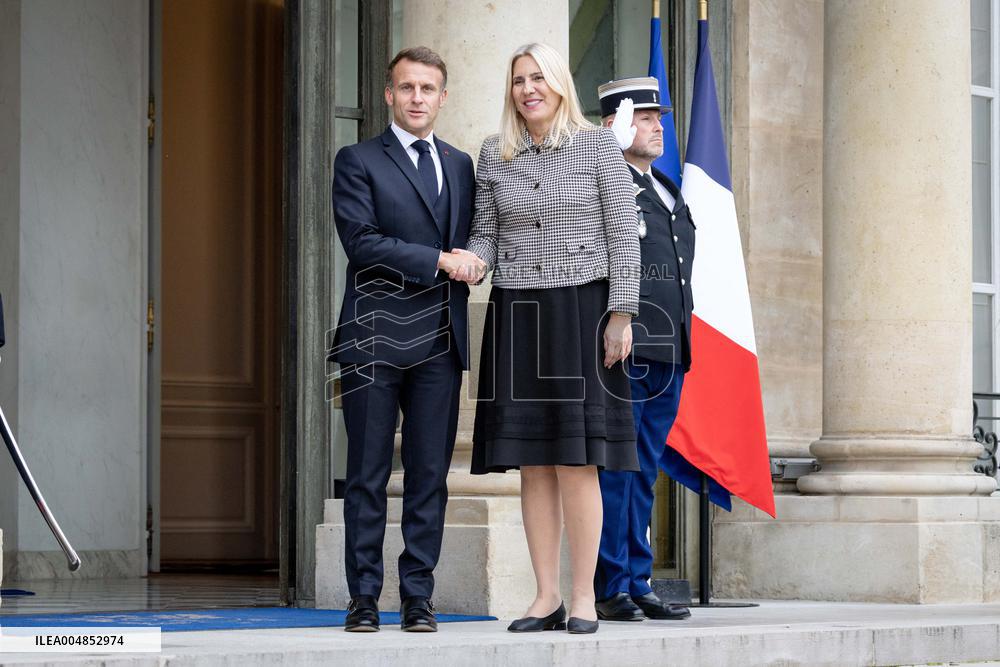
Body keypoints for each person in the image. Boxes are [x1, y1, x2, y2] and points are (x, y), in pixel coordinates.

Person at [458, 42, 640, 635]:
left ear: (560, 83)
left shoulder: (595, 147)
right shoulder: (495, 152)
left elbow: (623, 235)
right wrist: (465, 262)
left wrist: (623, 313)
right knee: (534, 463)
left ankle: (584, 598)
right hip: (518, 311)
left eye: (538, 78)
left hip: (584, 310)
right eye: (518, 80)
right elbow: (486, 236)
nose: (528, 89)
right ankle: (545, 596)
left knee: (576, 460)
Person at [330, 46, 484, 634]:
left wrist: (474, 261)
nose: (417, 98)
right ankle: (363, 598)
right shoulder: (358, 160)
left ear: (443, 98)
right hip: (373, 336)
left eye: (428, 89)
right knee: (367, 475)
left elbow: (476, 239)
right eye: (407, 88)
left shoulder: (462, 164)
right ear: (389, 95)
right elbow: (362, 243)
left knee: (429, 477)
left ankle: (418, 597)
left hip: (440, 340)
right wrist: (442, 260)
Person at [592, 77, 695, 622]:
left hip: (669, 350)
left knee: (644, 468)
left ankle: (638, 577)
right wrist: (606, 153)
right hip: (624, 349)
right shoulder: (605, 183)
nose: (658, 126)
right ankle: (611, 584)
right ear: (615, 124)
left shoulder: (667, 189)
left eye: (660, 117)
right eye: (646, 117)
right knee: (617, 468)